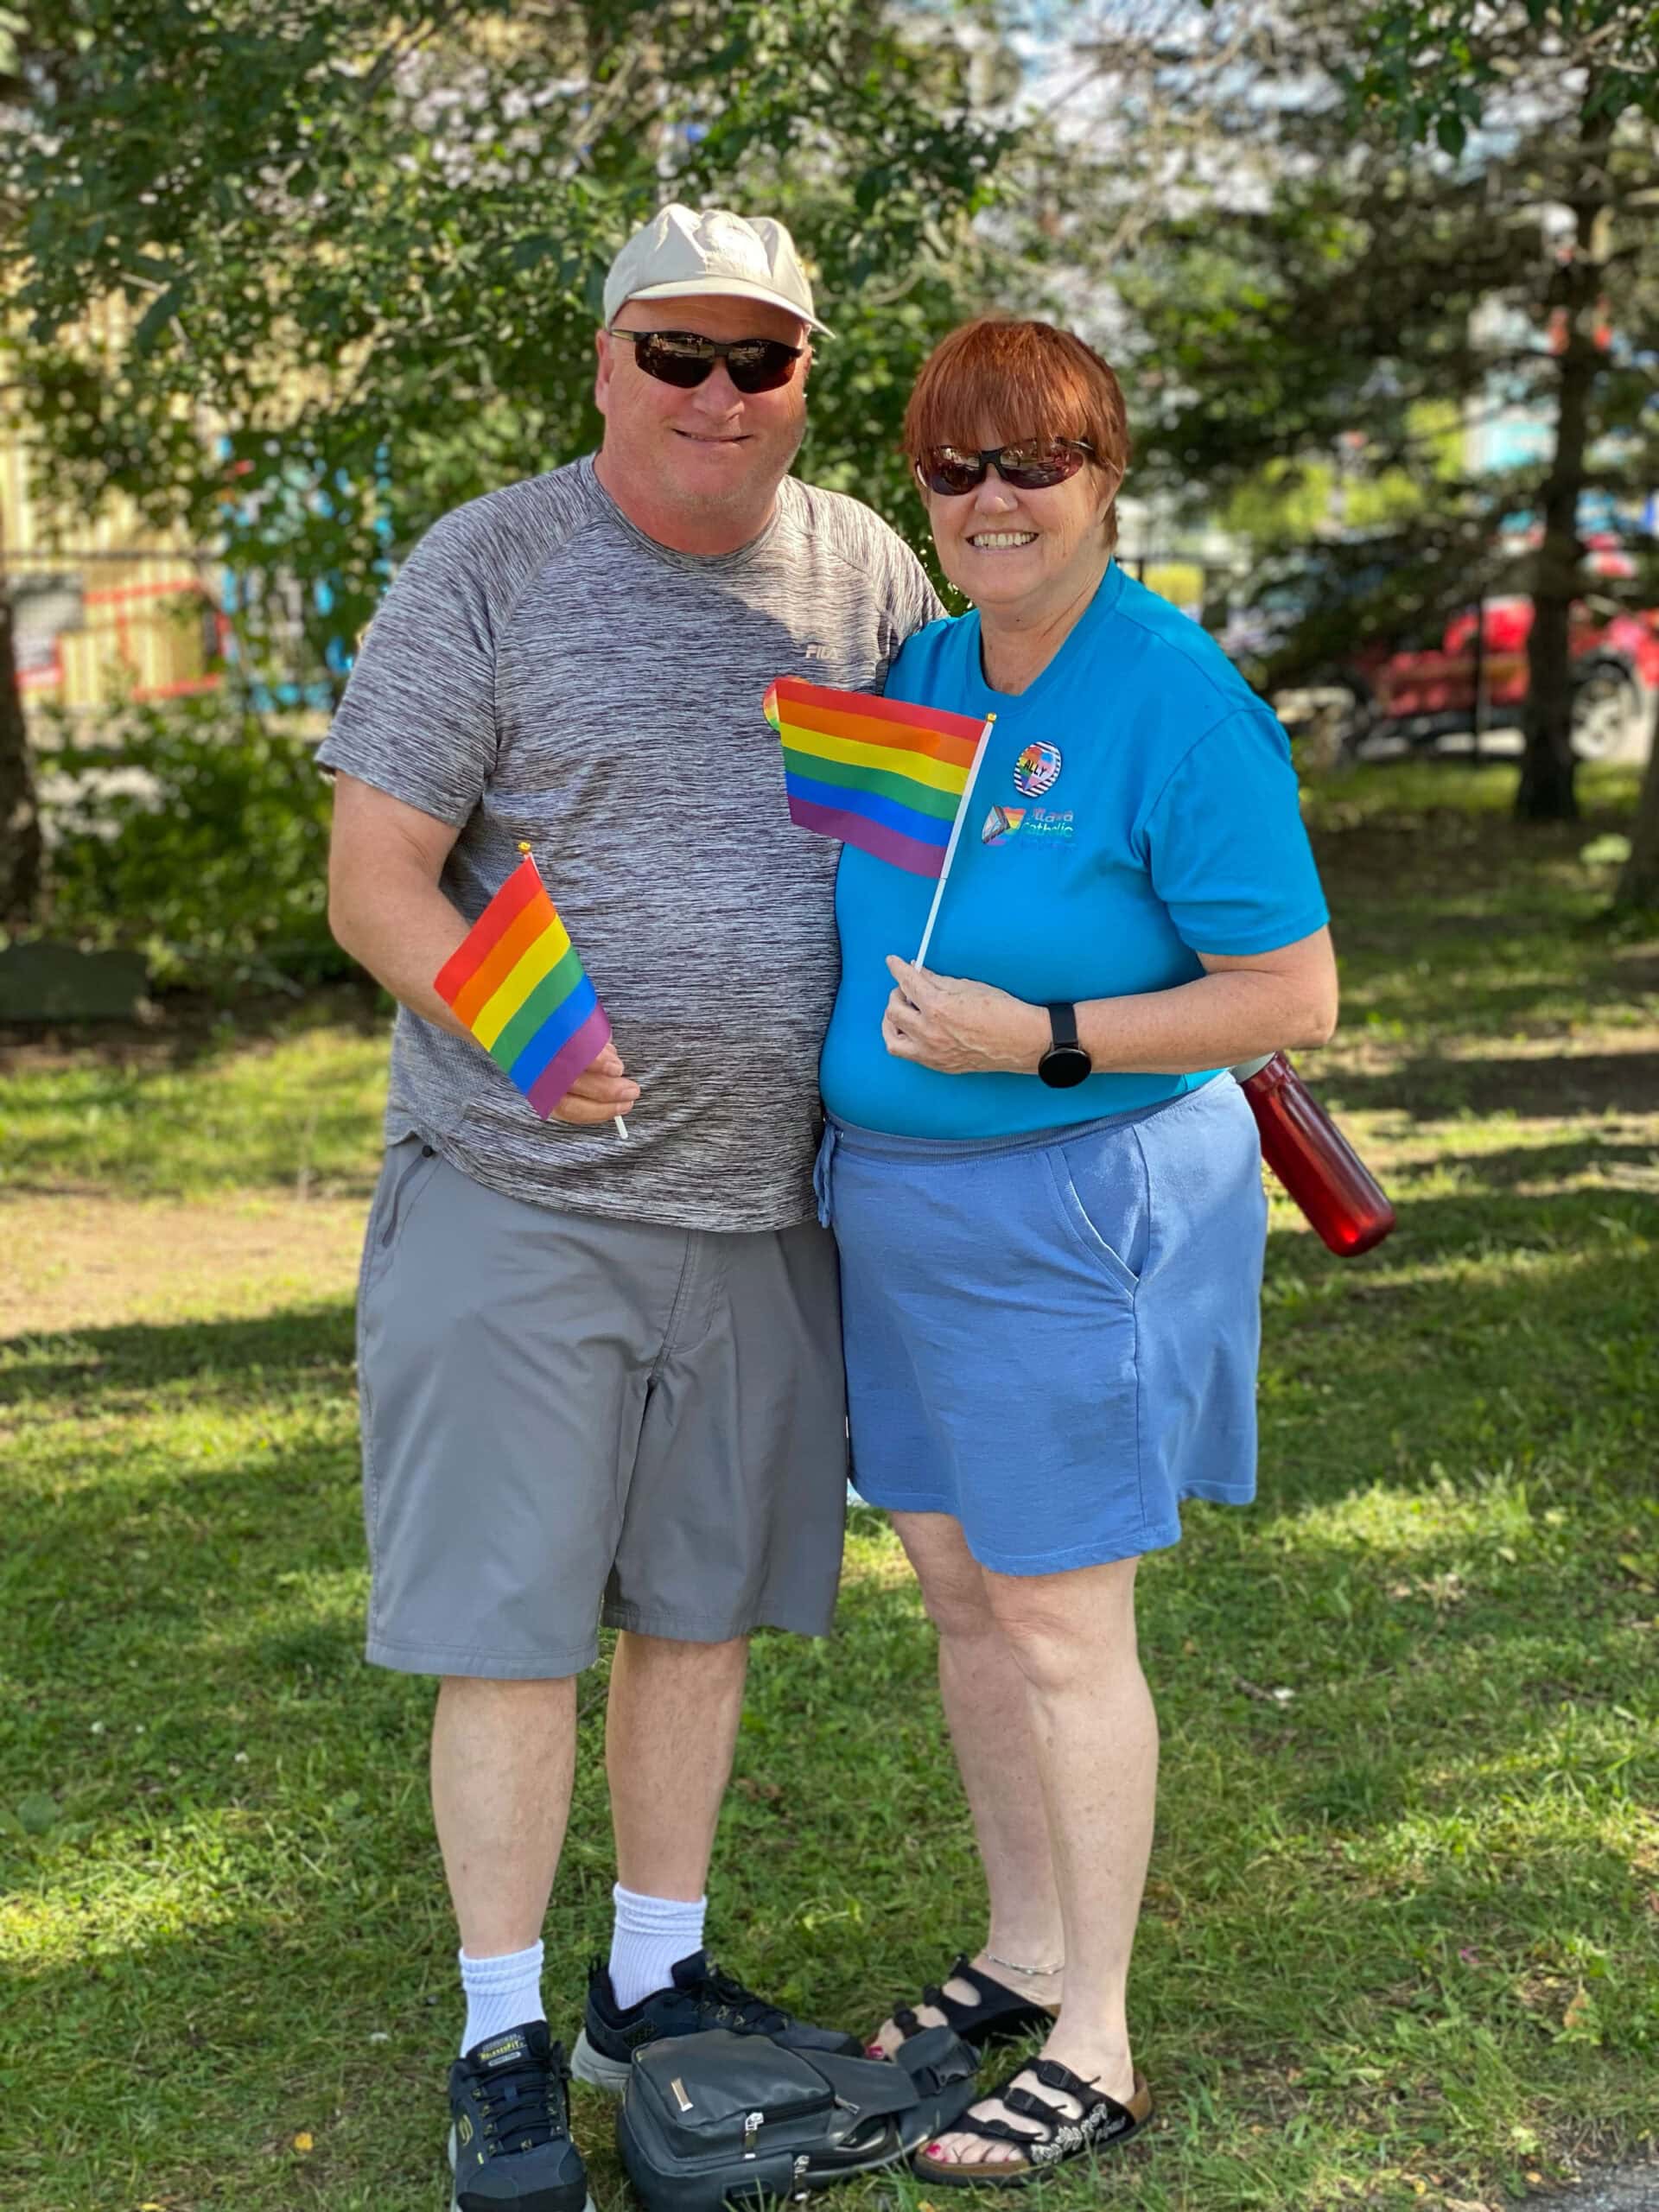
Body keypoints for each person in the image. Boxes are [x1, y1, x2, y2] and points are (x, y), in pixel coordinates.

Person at [319, 202, 941, 2212]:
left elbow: (890, 855)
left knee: (699, 1612)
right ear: (606, 365)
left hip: (766, 1212)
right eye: (677, 353)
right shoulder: (489, 563)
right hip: (521, 1192)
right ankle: (503, 2035)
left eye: (758, 360)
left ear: (803, 383)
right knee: (507, 1631)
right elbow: (380, 875)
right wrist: (525, 1019)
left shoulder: (862, 567)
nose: (716, 393)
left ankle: (644, 1989)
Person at [812, 317, 1338, 2184]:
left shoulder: (1176, 696)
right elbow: (846, 898)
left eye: (1031, 462)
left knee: (1057, 1615)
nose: (992, 499)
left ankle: (1098, 2038)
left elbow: (1291, 989)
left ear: (1106, 474)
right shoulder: (917, 671)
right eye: (954, 468)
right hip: (894, 1205)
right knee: (960, 1591)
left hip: (1074, 1202)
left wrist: (1043, 1032)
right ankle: (1023, 1946)